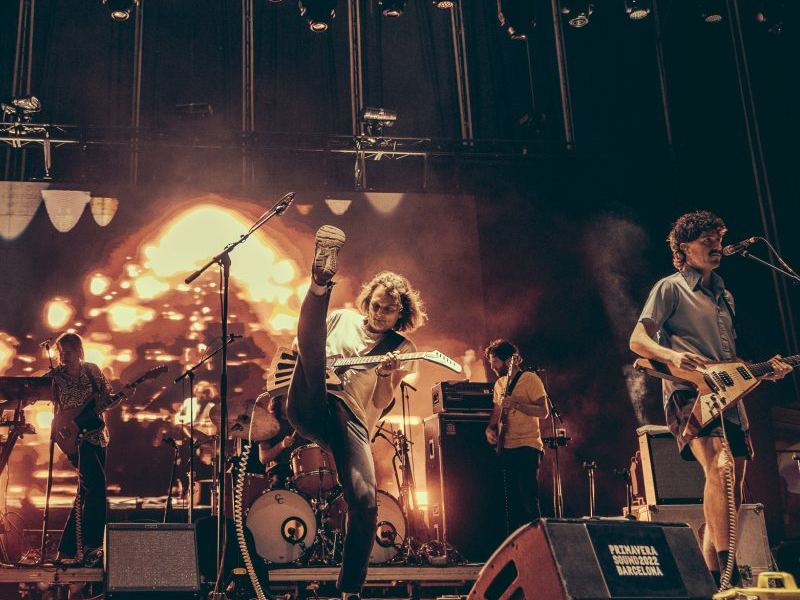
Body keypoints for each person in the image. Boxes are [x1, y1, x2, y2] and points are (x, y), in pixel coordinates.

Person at [629, 210, 792, 585]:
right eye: (707, 240)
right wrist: (671, 356)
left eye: (719, 238)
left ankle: (709, 578)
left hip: (730, 397)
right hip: (689, 392)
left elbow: (732, 361)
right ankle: (729, 576)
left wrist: (767, 370)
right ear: (684, 248)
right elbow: (637, 341)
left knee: (730, 488)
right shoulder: (670, 288)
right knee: (720, 469)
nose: (717, 245)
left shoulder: (725, 295)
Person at [286, 225, 426, 600]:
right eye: (377, 305)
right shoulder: (343, 318)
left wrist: (386, 372)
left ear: (402, 313)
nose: (380, 314)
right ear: (368, 301)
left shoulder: (403, 346)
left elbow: (381, 401)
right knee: (313, 356)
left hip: (352, 420)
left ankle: (349, 591)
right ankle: (319, 281)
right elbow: (301, 348)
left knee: (366, 502)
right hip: (310, 401)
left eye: (389, 309)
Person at [51, 332, 122, 564]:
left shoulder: (92, 371)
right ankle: (92, 546)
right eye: (61, 353)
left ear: (79, 352)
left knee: (85, 492)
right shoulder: (56, 377)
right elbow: (31, 391)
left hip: (97, 436)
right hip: (74, 440)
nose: (64, 357)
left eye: (68, 352)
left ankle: (66, 550)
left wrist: (121, 396)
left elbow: (108, 399)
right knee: (97, 487)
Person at [484, 339, 549, 532]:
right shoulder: (499, 384)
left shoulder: (530, 379)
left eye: (494, 361)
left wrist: (518, 405)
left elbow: (543, 411)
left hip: (528, 445)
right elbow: (497, 412)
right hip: (507, 446)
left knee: (528, 498)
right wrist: (489, 429)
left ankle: (536, 542)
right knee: (510, 501)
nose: (492, 365)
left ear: (508, 360)